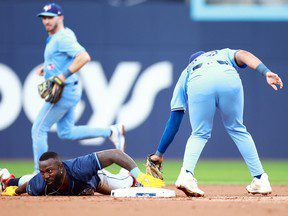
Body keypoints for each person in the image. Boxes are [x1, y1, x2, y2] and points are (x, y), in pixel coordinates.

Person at [147, 49, 283, 197]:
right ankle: (260, 179)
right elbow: (243, 54)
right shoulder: (223, 53)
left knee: (199, 133)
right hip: (227, 75)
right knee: (237, 128)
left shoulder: (187, 71)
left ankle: (186, 175)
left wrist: (159, 153)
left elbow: (174, 121)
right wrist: (265, 71)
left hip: (198, 80)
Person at [32, 3, 125, 173]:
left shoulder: (62, 38)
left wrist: (61, 76)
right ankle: (111, 131)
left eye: (50, 17)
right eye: (44, 18)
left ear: (60, 17)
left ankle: (40, 173)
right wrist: (48, 67)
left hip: (64, 91)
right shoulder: (61, 35)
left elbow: (84, 57)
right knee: (66, 132)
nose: (46, 21)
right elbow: (64, 58)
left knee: (38, 129)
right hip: (71, 89)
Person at [0, 149, 165, 196]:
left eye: (50, 170)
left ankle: (129, 174)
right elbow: (28, 185)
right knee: (26, 180)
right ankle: (7, 179)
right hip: (78, 186)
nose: (46, 175)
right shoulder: (40, 182)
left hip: (96, 180)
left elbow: (115, 154)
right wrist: (14, 191)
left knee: (125, 185)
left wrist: (139, 175)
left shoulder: (79, 167)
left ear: (61, 167)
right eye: (43, 172)